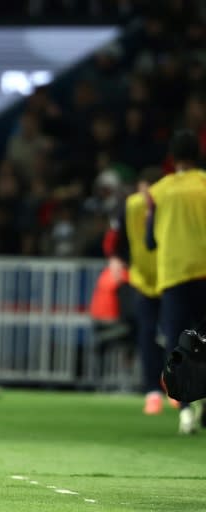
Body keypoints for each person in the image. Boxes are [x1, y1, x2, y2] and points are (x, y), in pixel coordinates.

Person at [146, 129, 206, 434]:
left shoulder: (158, 191)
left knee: (176, 344)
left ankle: (184, 411)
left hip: (174, 276)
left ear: (172, 157)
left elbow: (149, 240)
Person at [111, 166, 168, 414]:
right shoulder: (130, 206)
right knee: (146, 335)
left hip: (171, 279)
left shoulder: (169, 205)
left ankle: (175, 388)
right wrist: (116, 257)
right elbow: (115, 238)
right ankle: (152, 391)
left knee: (175, 336)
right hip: (145, 280)